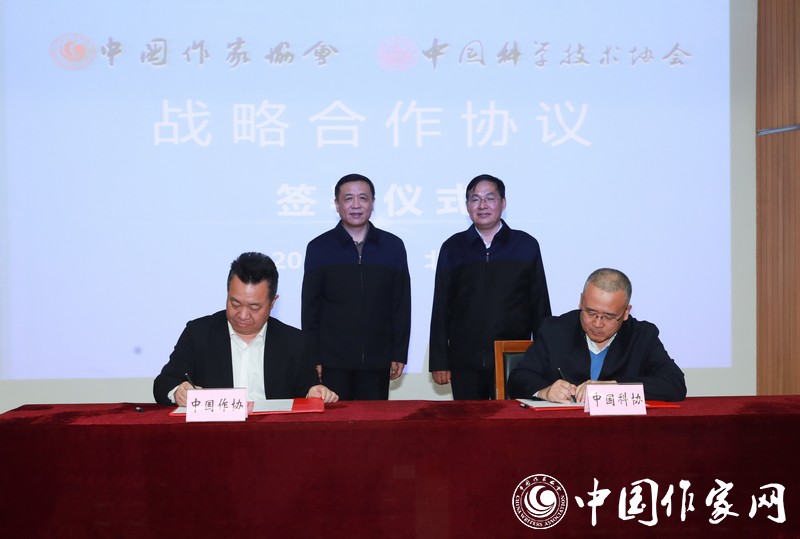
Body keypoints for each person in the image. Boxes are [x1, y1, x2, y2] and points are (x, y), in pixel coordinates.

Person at [153, 252, 338, 406]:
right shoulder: (198, 333)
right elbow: (164, 382)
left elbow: (307, 388)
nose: (242, 315)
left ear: (273, 302)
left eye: (254, 307)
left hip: (273, 434)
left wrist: (314, 393)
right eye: (235, 304)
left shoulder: (295, 342)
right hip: (215, 433)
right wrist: (177, 391)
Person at [429, 174, 551, 400]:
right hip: (464, 360)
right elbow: (441, 308)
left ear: (503, 203)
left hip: (513, 359)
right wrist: (439, 361)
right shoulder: (453, 248)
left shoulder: (525, 245)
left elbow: (539, 304)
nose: (482, 205)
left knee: (511, 420)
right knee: (468, 421)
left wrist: (546, 356)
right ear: (467, 206)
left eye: (490, 198)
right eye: (475, 199)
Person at [302, 173, 411, 400]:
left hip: (378, 359)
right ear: (337, 204)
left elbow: (401, 304)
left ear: (372, 203)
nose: (356, 205)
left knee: (373, 420)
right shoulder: (319, 248)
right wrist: (313, 357)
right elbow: (311, 309)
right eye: (348, 198)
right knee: (336, 420)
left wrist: (399, 352)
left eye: (363, 198)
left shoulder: (392, 246)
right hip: (333, 361)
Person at [508, 268, 687, 403]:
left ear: (626, 312)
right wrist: (545, 391)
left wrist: (615, 387)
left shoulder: (642, 336)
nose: (597, 323)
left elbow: (674, 383)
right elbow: (518, 378)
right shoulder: (555, 330)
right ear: (581, 301)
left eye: (608, 316)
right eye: (590, 312)